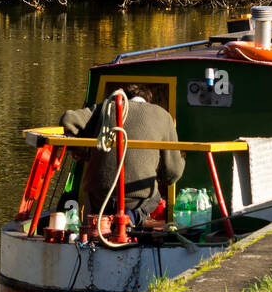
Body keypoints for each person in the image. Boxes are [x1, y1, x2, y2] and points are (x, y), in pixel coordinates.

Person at [59, 84, 184, 227]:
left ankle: (96, 226)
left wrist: (79, 149)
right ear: (147, 101)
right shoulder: (163, 115)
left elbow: (68, 119)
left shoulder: (104, 108)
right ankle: (131, 217)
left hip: (100, 197)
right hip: (136, 200)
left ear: (124, 98)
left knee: (92, 192)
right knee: (155, 195)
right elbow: (172, 174)